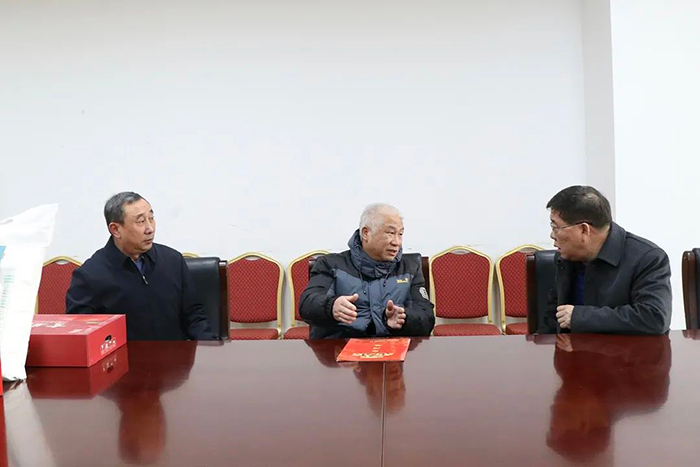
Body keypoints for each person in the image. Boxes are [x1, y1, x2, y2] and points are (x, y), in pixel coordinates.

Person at [66, 192, 215, 340]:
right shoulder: (90, 275)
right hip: (124, 355)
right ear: (115, 229)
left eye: (151, 218)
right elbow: (80, 336)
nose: (150, 228)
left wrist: (211, 348)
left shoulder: (173, 260)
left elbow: (194, 316)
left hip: (174, 354)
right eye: (141, 221)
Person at [541, 185, 671, 334]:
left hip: (627, 348)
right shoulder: (566, 257)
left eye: (556, 227)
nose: (552, 235)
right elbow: (552, 318)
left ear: (584, 229)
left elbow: (654, 318)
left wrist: (580, 317)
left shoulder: (647, 258)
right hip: (571, 347)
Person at [299, 203, 434, 339]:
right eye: (391, 233)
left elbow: (427, 318)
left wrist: (405, 319)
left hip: (392, 346)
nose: (397, 242)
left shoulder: (410, 268)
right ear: (366, 233)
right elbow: (306, 305)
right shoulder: (330, 264)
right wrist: (331, 306)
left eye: (400, 234)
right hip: (341, 346)